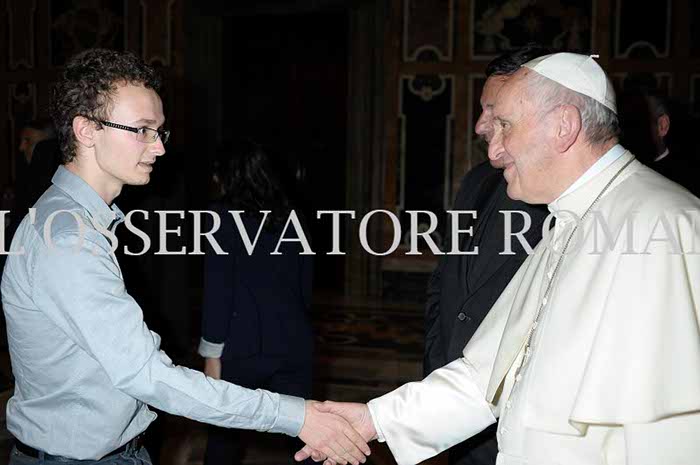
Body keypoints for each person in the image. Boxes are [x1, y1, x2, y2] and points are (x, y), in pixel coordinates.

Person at [297, 53, 700, 465]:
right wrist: (374, 420)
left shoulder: (664, 223)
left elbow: (667, 436)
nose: (493, 148)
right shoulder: (570, 218)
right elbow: (486, 377)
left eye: (505, 125)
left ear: (564, 126)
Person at [0, 48, 369, 465]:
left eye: (160, 132)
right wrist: (296, 416)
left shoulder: (74, 221)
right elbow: (149, 376)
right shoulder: (68, 239)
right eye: (142, 130)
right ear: (86, 130)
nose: (158, 147)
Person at [424, 45, 550, 465]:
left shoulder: (569, 203)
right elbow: (444, 281)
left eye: (495, 113)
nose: (480, 125)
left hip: (520, 418)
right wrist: (435, 369)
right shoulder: (476, 180)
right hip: (455, 402)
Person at [199, 140, 315, 465]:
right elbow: (304, 288)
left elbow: (218, 290)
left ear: (229, 175)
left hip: (241, 349)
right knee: (307, 438)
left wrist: (211, 354)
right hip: (293, 344)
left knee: (223, 438)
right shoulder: (293, 216)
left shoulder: (221, 216)